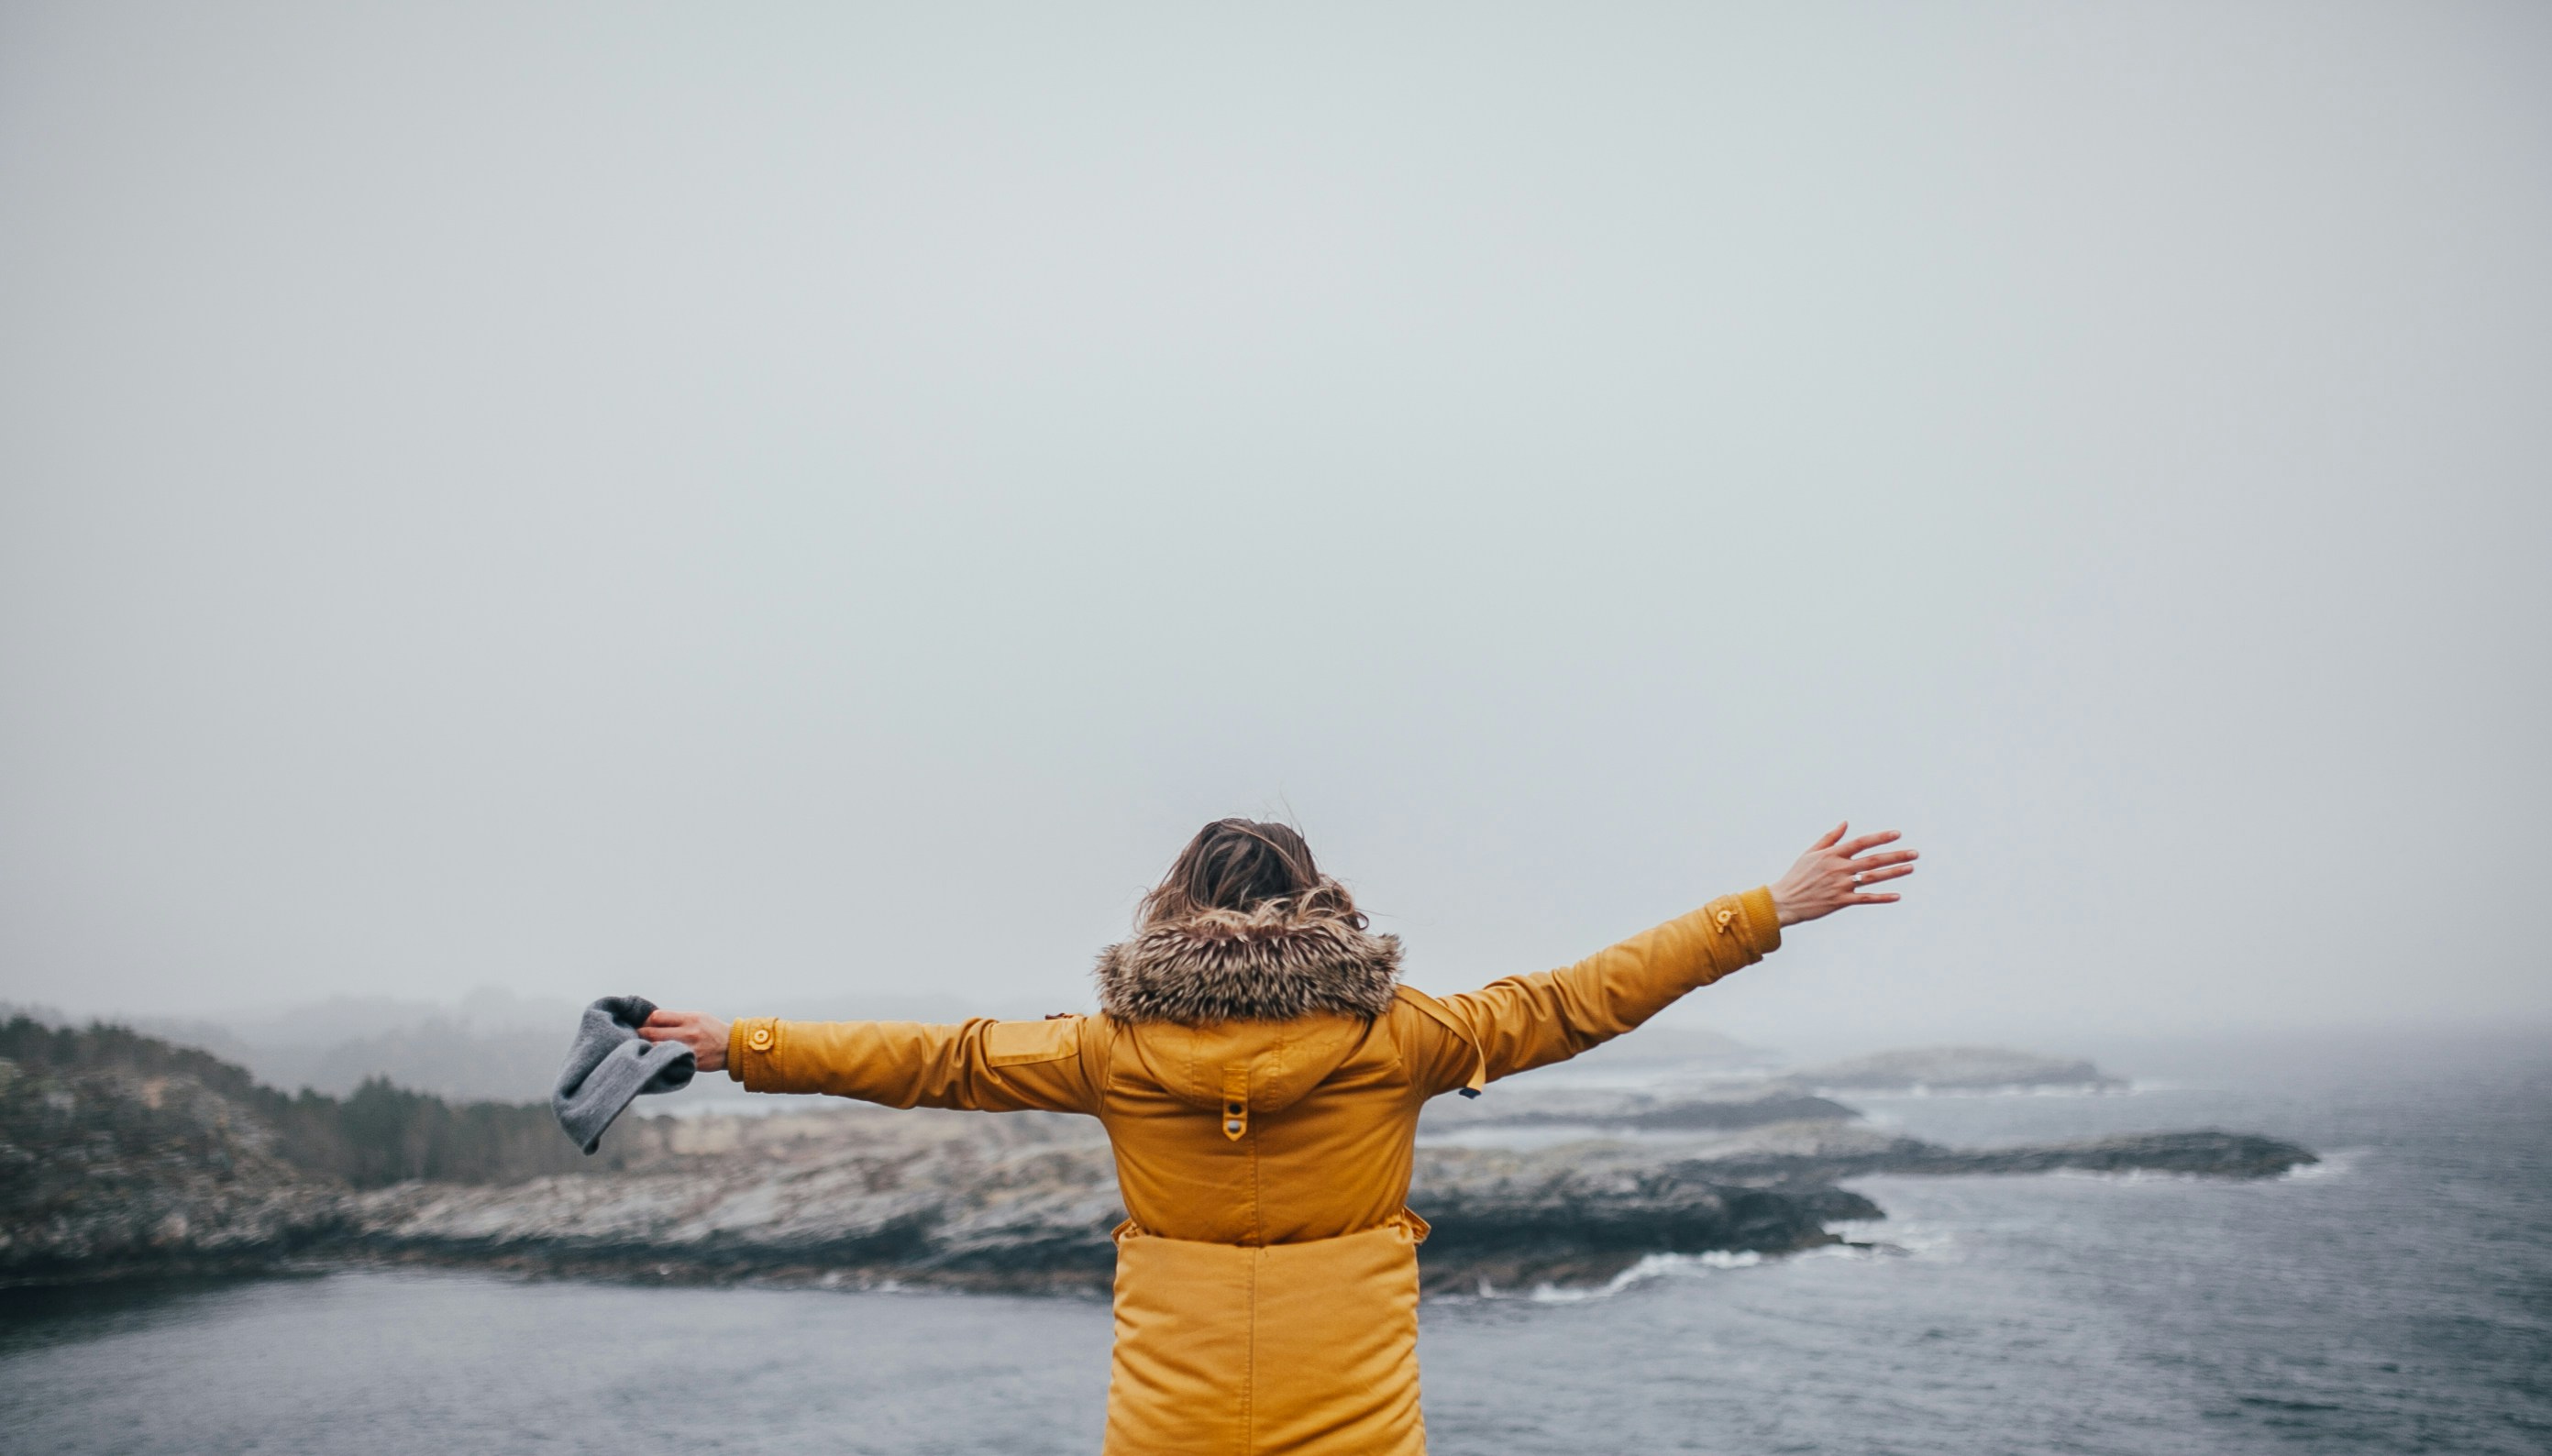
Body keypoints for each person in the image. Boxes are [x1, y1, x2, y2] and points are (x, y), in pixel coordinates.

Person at [640, 818, 1915, 1455]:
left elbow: (933, 1062)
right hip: (1357, 1427)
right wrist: (1769, 907)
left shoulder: (1112, 1051)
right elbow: (1585, 1000)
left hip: (1168, 1428)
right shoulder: (1400, 1037)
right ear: (1322, 905)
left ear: (1174, 913)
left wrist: (733, 1043)